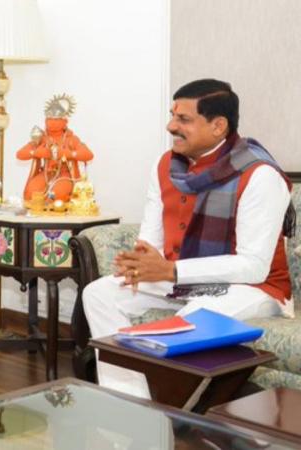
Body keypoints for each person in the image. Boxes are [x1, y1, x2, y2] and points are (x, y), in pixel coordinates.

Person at [82, 79, 295, 399]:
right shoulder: (166, 165)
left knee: (189, 322)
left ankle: (179, 412)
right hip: (182, 278)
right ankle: (129, 400)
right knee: (100, 293)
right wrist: (140, 262)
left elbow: (254, 266)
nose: (171, 126)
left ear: (218, 126)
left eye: (183, 119)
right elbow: (151, 238)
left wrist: (171, 271)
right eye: (173, 116)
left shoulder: (259, 174)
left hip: (253, 288)